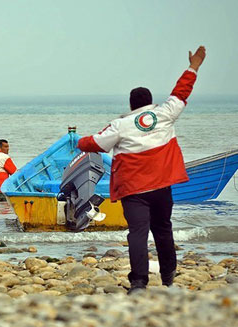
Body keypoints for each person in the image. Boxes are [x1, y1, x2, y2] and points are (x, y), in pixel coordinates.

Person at [77, 46, 206, 294]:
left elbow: (95, 143)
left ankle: (138, 283)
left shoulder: (121, 125)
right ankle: (168, 277)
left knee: (137, 234)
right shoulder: (166, 113)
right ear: (149, 101)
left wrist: (77, 142)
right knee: (163, 229)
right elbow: (181, 92)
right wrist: (194, 67)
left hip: (134, 190)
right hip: (161, 186)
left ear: (131, 103)